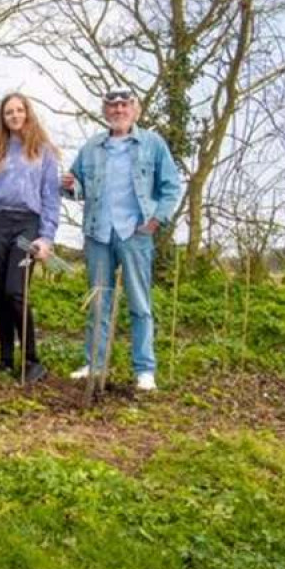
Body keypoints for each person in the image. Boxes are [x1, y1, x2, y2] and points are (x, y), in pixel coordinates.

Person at [61, 88, 181, 391]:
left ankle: (145, 371)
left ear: (135, 110)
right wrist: (70, 185)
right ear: (105, 112)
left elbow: (171, 187)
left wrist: (157, 220)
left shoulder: (152, 144)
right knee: (98, 301)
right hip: (98, 234)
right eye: (112, 106)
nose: (118, 110)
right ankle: (95, 365)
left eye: (124, 105)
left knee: (140, 303)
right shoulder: (91, 147)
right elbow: (77, 188)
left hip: (135, 234)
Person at [0, 93, 60, 384]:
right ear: (3, 117)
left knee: (15, 291)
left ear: (27, 113)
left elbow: (50, 196)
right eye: (9, 112)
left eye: (19, 110)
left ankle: (33, 360)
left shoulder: (43, 151)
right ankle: (6, 360)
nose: (14, 115)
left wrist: (46, 237)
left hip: (26, 226)